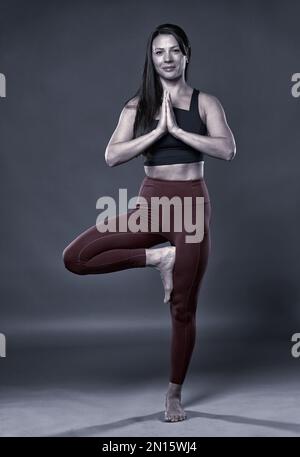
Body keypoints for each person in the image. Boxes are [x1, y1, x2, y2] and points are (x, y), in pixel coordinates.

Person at [62, 23, 236, 423]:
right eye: (159, 52)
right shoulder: (137, 106)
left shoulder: (206, 103)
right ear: (152, 58)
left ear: (186, 53)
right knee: (76, 257)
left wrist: (179, 131)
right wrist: (157, 131)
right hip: (151, 202)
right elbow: (112, 155)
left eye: (174, 50)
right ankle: (158, 259)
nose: (168, 58)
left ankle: (174, 394)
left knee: (183, 308)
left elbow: (227, 149)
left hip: (191, 207)